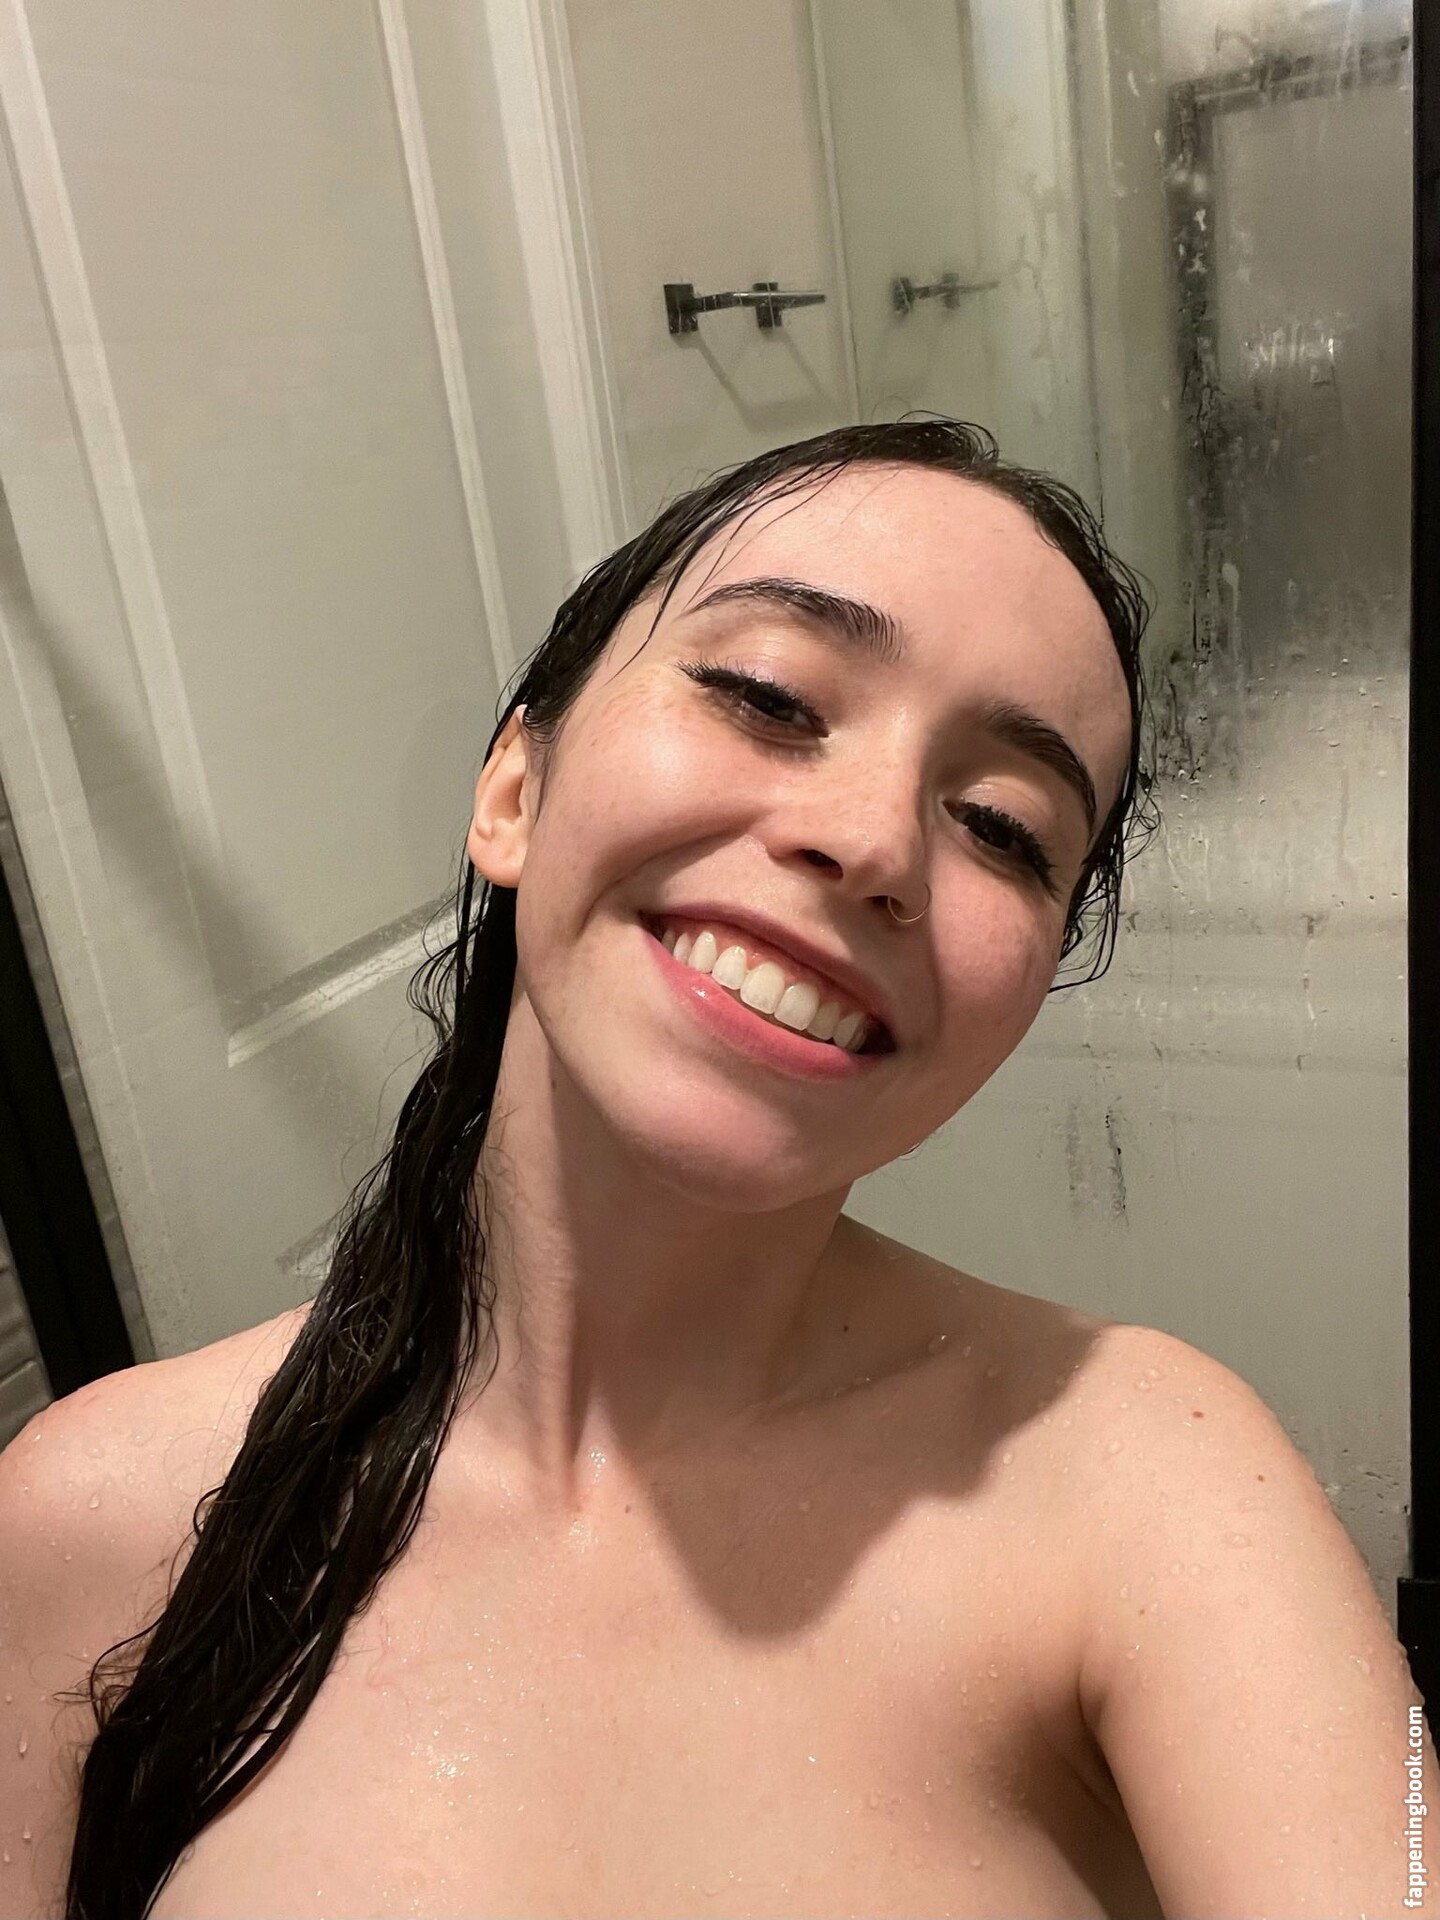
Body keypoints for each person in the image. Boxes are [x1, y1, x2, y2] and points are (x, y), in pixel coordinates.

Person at [0, 420, 1434, 1919]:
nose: (875, 843)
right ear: (514, 789)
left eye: (1004, 828)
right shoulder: (95, 1516)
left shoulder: (1155, 1489)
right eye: (767, 697)